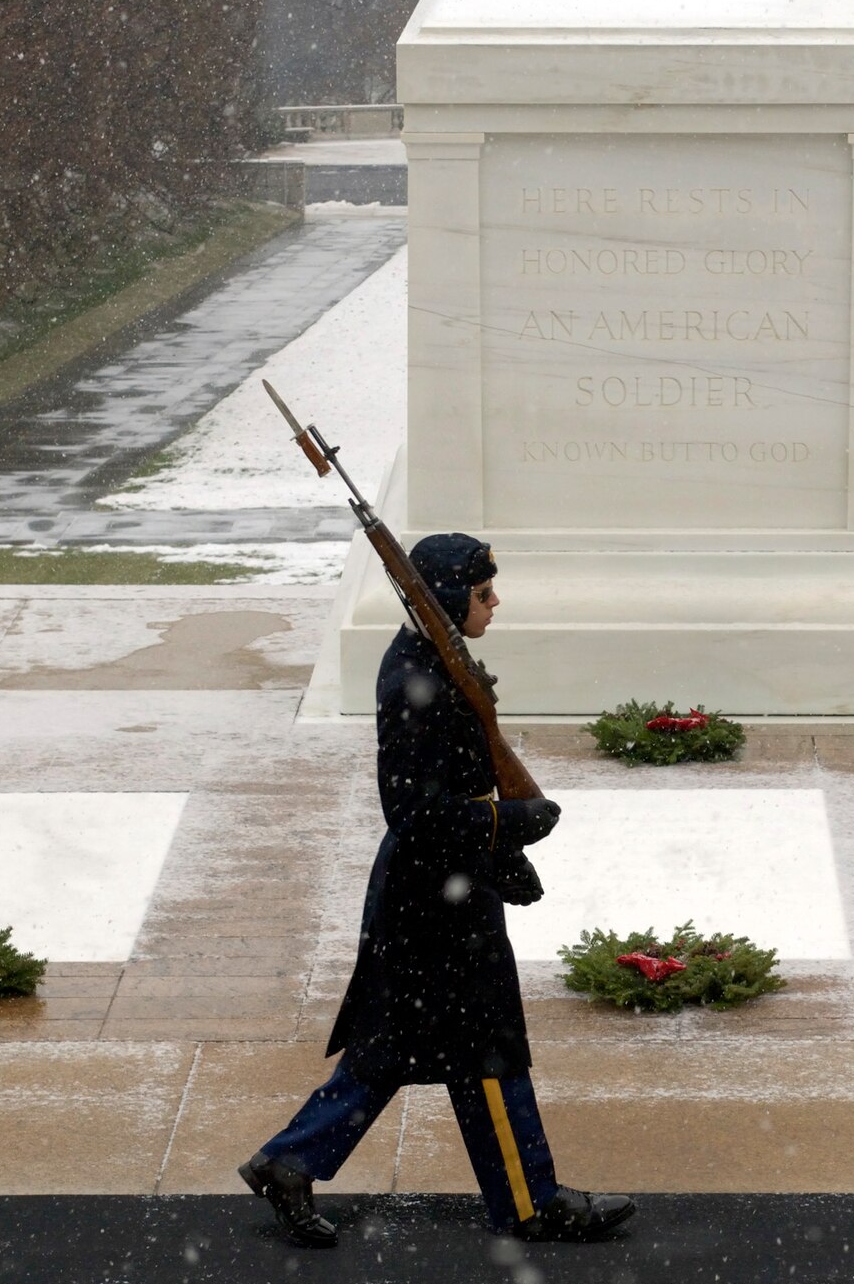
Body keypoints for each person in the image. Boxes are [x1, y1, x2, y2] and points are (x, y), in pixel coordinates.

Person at [240, 532, 636, 1249]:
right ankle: (529, 1200)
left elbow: (455, 781)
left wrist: (500, 850)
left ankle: (290, 1160)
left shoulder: (434, 660)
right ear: (449, 598)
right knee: (485, 1047)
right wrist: (505, 821)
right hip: (432, 900)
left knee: (400, 1043)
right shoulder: (412, 679)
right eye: (484, 593)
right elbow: (414, 812)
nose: (495, 603)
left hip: (439, 888)